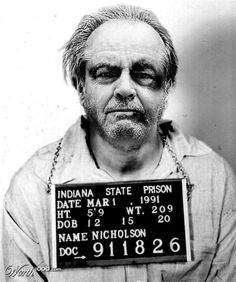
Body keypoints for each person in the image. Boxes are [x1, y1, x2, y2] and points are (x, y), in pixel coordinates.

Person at [3, 4, 236, 282]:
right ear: (80, 85)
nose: (125, 89)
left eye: (144, 74)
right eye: (105, 73)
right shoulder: (32, 188)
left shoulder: (214, 178)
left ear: (168, 86)